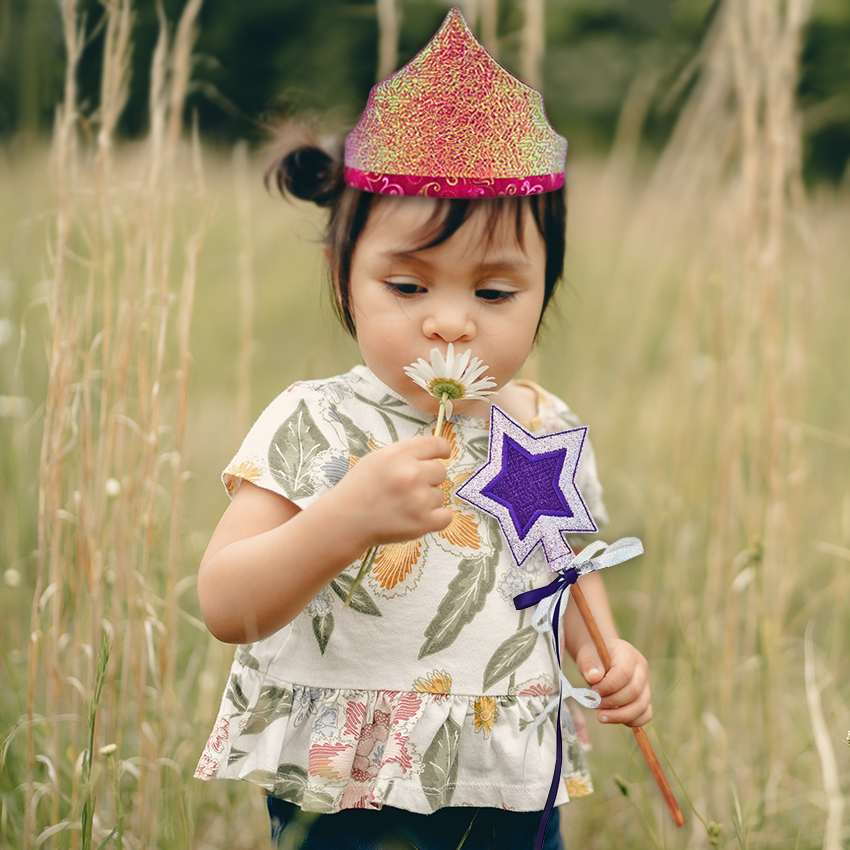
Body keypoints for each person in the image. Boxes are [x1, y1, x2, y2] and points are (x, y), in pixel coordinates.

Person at [194, 9, 651, 850]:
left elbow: (566, 574)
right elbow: (227, 604)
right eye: (408, 287)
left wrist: (609, 656)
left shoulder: (544, 426)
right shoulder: (318, 420)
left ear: (546, 289)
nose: (450, 324)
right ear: (345, 275)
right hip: (353, 789)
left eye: (494, 292)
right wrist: (342, 520)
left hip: (512, 771)